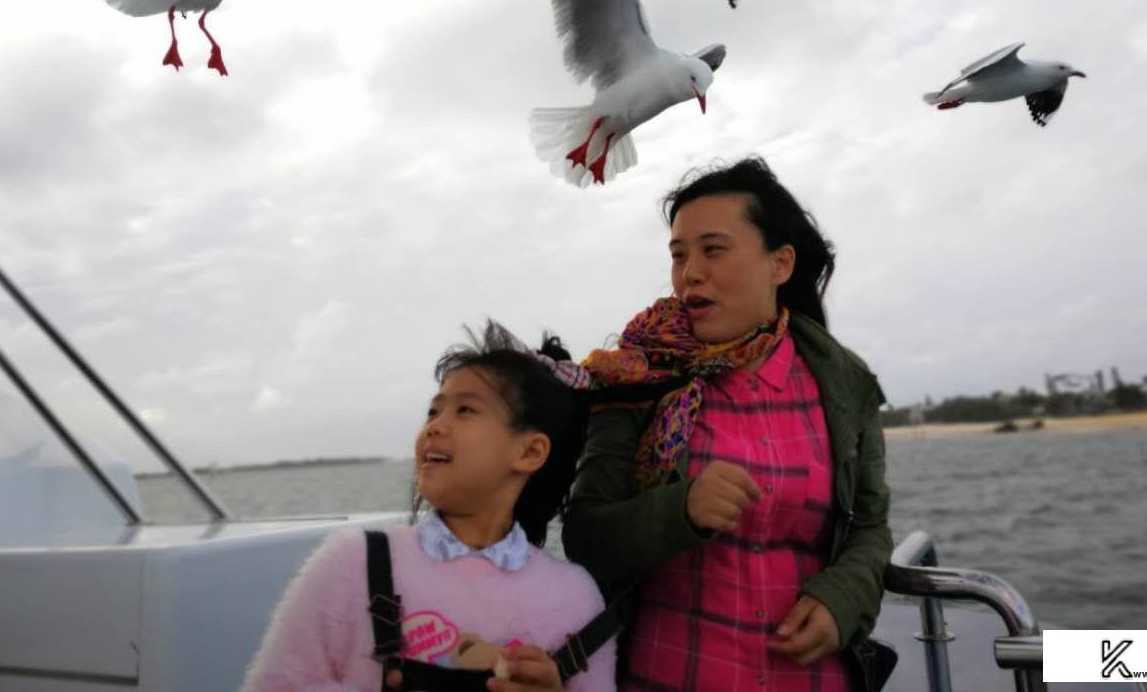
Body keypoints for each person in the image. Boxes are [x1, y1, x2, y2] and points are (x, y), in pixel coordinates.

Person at [562, 156, 893, 691]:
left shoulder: (844, 385)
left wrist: (844, 598)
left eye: (713, 250)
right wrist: (680, 509)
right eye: (678, 255)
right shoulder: (637, 376)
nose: (690, 272)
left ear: (779, 264)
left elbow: (870, 527)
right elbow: (586, 536)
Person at [243, 323, 617, 692]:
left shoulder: (573, 596)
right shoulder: (353, 560)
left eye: (465, 410)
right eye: (433, 412)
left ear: (529, 451)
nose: (435, 427)